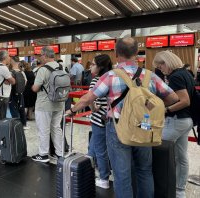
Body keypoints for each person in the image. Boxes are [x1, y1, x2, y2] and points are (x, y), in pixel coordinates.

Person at [66, 38, 179, 198]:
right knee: (145, 170)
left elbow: (87, 99)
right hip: (144, 126)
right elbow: (173, 97)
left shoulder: (110, 76)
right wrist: (152, 108)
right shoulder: (150, 76)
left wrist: (71, 111)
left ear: (116, 53)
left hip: (118, 129)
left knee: (122, 175)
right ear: (136, 53)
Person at [153, 51, 195, 198]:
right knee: (181, 157)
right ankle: (179, 190)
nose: (160, 68)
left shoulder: (175, 76)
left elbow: (185, 100)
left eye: (161, 64)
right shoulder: (186, 74)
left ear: (168, 62)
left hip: (176, 120)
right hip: (186, 120)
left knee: (159, 152)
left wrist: (166, 109)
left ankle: (163, 187)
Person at [31, 46, 65, 163]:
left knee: (43, 130)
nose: (40, 57)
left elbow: (35, 88)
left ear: (45, 56)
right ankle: (59, 153)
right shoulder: (61, 67)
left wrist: (32, 86)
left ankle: (43, 154)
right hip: (59, 103)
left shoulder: (43, 70)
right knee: (56, 128)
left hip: (44, 105)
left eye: (41, 55)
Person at [87, 54, 113, 189]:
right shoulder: (111, 78)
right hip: (109, 118)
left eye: (93, 64)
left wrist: (93, 108)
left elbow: (90, 100)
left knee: (100, 149)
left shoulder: (96, 80)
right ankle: (88, 171)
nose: (90, 66)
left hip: (98, 119)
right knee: (92, 148)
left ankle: (104, 178)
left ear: (100, 66)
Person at [8, 57, 29, 130]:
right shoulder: (22, 72)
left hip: (12, 93)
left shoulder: (10, 72)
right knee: (21, 109)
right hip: (20, 93)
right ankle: (24, 124)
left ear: (12, 61)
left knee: (14, 109)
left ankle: (16, 125)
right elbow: (25, 82)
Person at [0, 50, 15, 120]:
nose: (9, 58)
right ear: (5, 57)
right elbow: (13, 81)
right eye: (9, 56)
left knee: (0, 115)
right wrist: (10, 79)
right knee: (2, 117)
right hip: (3, 96)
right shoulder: (3, 68)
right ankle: (1, 130)